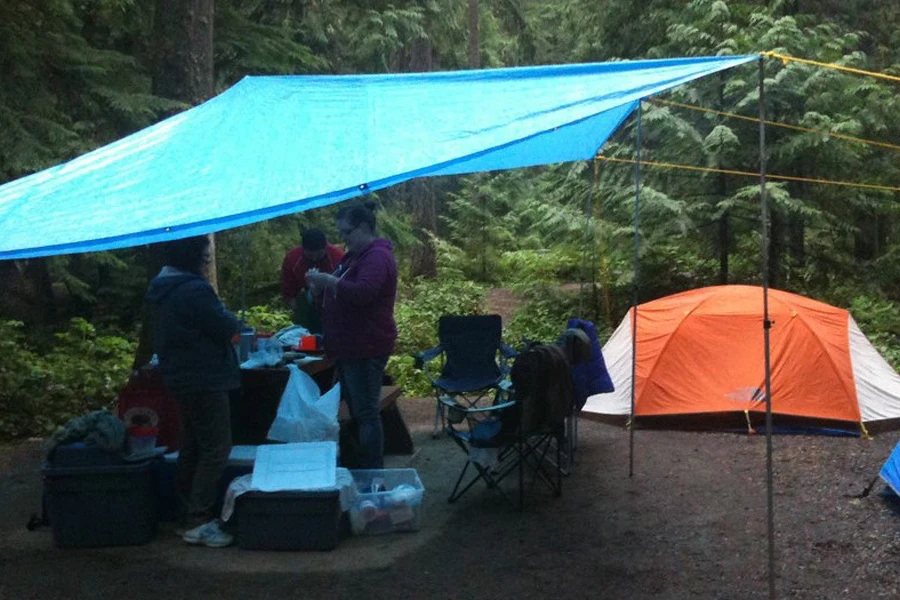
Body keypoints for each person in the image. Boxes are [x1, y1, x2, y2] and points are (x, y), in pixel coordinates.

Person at [146, 235, 240, 548]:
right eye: (204, 256)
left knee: (193, 446)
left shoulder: (161, 288)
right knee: (216, 447)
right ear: (192, 258)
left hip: (179, 377)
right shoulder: (194, 289)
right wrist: (234, 319)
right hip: (205, 378)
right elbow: (224, 326)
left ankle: (185, 514)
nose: (206, 261)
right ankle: (199, 519)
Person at [307, 202, 398, 469]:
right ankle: (358, 466)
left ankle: (372, 474)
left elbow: (363, 293)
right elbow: (341, 291)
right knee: (357, 413)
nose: (343, 239)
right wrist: (318, 289)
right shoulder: (354, 257)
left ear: (363, 227)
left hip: (366, 346)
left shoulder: (377, 257)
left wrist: (328, 282)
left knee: (367, 413)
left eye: (346, 232)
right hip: (349, 347)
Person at [280, 228, 345, 333]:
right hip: (306, 301)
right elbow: (288, 292)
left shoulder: (337, 257)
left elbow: (345, 286)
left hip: (333, 303)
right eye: (310, 255)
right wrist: (301, 313)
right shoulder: (292, 258)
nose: (314, 259)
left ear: (325, 247)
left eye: (319, 255)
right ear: (303, 249)